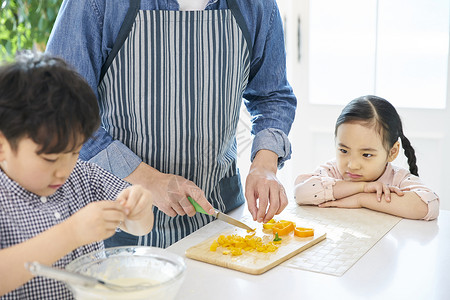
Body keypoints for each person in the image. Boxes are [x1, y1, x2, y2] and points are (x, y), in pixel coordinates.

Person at [46, 0, 297, 248]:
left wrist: (264, 164)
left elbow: (272, 95)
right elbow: (63, 111)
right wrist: (149, 180)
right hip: (121, 222)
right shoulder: (97, 4)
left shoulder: (257, 6)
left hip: (218, 221)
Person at [0, 51, 154, 299]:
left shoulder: (83, 176)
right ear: (2, 146)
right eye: (50, 158)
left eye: (73, 152)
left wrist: (139, 208)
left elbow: (140, 227)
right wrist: (71, 233)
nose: (64, 170)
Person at [294, 95, 439, 221]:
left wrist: (361, 199)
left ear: (392, 152)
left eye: (366, 155)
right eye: (344, 150)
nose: (353, 165)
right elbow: (301, 193)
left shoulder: (397, 178)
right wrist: (362, 187)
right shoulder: (332, 171)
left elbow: (428, 205)